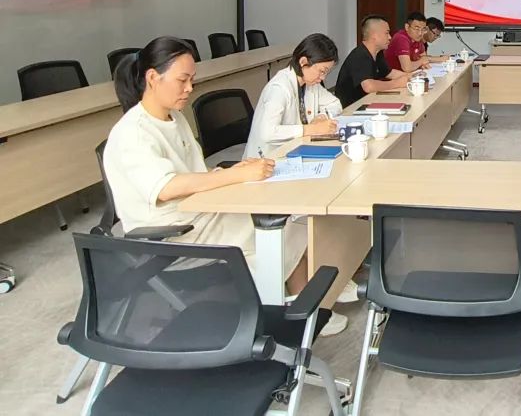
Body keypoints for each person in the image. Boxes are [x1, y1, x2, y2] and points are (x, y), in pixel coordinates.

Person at [103, 37, 348, 335]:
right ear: (153, 77)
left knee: (288, 221)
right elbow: (166, 187)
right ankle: (292, 317)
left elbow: (192, 172)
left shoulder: (174, 117)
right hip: (172, 232)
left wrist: (230, 171)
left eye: (192, 80)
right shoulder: (133, 133)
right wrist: (235, 176)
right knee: (278, 230)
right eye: (182, 80)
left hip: (199, 211)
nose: (189, 88)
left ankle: (301, 303)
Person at [244, 33, 341, 159]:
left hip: (295, 150)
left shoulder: (310, 83)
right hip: (267, 158)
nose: (323, 78)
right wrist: (311, 129)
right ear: (303, 62)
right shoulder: (279, 88)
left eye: (326, 73)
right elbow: (267, 133)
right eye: (322, 71)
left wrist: (321, 117)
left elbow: (335, 104)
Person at [335, 15, 410, 107]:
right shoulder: (360, 55)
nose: (390, 37)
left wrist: (412, 77)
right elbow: (368, 86)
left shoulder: (378, 52)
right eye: (387, 33)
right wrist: (397, 83)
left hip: (368, 101)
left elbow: (389, 73)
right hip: (351, 107)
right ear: (374, 35)